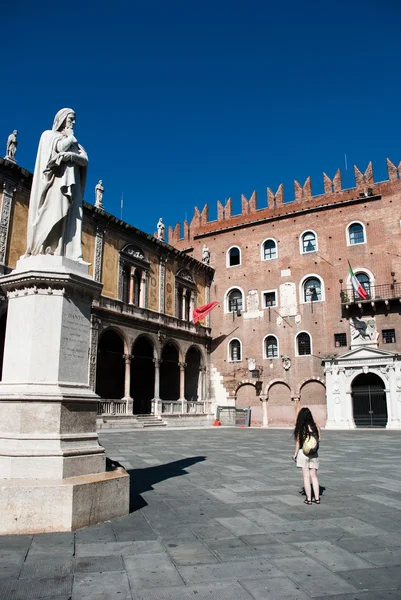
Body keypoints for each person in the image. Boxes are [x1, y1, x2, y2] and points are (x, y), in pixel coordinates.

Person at [24, 108, 88, 261]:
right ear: (62, 119)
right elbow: (59, 148)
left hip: (71, 185)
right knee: (53, 210)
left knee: (69, 215)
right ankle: (45, 247)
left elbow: (85, 160)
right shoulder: (48, 136)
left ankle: (63, 250)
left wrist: (71, 155)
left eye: (74, 120)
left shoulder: (75, 144)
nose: (73, 122)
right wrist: (70, 140)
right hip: (55, 183)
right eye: (70, 119)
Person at [293, 407, 321, 505]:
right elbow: (319, 439)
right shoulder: (316, 426)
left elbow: (298, 442)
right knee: (314, 476)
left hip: (303, 453)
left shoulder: (301, 427)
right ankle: (317, 498)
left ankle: (309, 499)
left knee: (306, 476)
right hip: (314, 453)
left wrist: (295, 454)